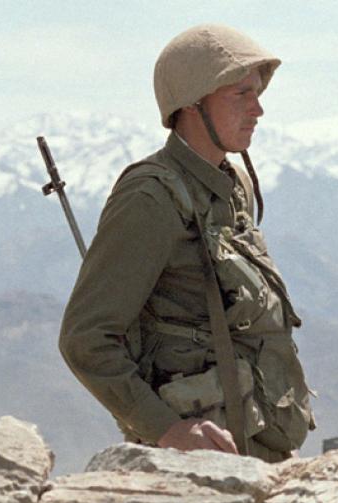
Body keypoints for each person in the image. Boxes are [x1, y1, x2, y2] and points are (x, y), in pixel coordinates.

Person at [59, 24, 313, 462]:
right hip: (195, 461)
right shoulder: (150, 198)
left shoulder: (233, 188)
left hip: (258, 446)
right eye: (240, 94)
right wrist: (167, 430)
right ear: (193, 103)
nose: (258, 110)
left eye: (258, 93)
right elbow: (86, 338)